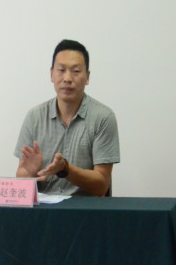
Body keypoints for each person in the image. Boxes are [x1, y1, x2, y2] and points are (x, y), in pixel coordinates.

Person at [14, 39, 120, 196]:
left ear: (87, 77)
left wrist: (65, 169)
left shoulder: (103, 118)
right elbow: (21, 178)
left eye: (76, 71)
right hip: (44, 208)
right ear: (51, 74)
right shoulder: (34, 117)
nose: (67, 78)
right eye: (61, 70)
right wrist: (30, 173)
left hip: (86, 209)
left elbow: (101, 185)